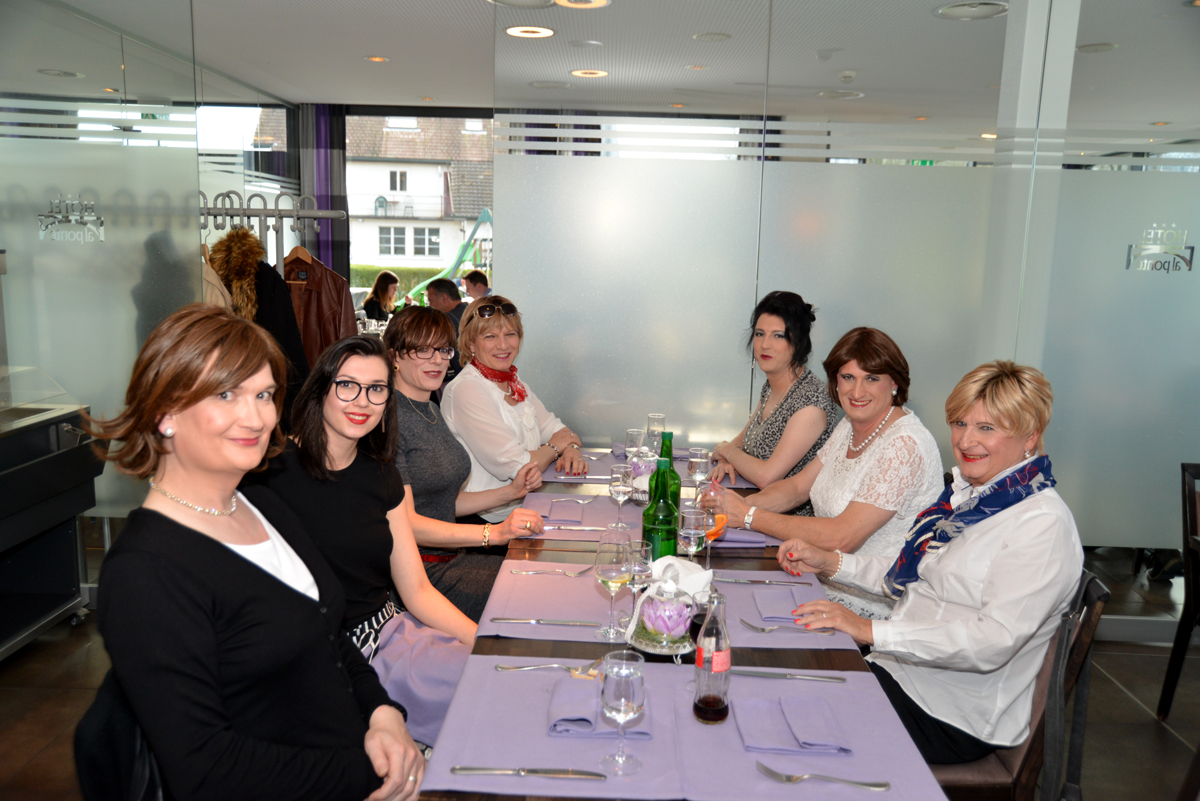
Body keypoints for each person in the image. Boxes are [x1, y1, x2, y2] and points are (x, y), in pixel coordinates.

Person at [87, 304, 423, 801]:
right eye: (226, 394)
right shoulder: (146, 570)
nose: (256, 416)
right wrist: (366, 773)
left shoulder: (261, 504)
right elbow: (205, 770)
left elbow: (327, 636)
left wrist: (383, 712)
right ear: (165, 412)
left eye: (264, 394)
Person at [780, 361, 1083, 765]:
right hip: (902, 673)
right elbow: (913, 571)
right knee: (781, 679)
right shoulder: (974, 497)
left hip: (950, 713)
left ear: (1030, 435)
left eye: (987, 428)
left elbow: (992, 642)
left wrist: (869, 629)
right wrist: (830, 563)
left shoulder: (1041, 523)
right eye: (960, 423)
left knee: (791, 716)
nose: (966, 440)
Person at [251, 335, 474, 748]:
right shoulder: (270, 472)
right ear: (320, 389)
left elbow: (417, 590)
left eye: (376, 389)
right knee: (482, 701)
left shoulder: (381, 473)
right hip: (328, 653)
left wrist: (483, 643)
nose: (362, 401)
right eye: (347, 385)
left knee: (492, 675)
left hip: (391, 632)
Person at [711, 327, 943, 618]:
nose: (857, 392)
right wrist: (735, 505)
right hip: (818, 579)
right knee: (723, 600)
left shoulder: (905, 445)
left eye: (871, 378)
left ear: (895, 382)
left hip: (874, 610)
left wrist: (748, 516)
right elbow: (798, 487)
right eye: (848, 377)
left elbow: (841, 538)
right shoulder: (851, 424)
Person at [382, 307, 545, 621]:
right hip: (418, 576)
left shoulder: (429, 408)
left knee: (544, 575)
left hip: (451, 560)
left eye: (443, 350)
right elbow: (407, 523)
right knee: (537, 591)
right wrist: (493, 533)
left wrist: (510, 492)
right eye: (422, 350)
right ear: (394, 357)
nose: (437, 360)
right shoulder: (390, 419)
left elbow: (442, 502)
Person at [442, 296, 587, 522]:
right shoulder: (467, 389)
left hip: (526, 506)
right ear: (471, 344)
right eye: (490, 336)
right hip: (485, 521)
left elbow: (559, 430)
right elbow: (517, 466)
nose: (503, 345)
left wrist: (570, 450)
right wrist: (555, 447)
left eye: (510, 334)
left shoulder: (514, 382)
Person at [709, 291, 839, 514]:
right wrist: (726, 460)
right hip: (755, 506)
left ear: (799, 342)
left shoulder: (811, 401)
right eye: (759, 334)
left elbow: (766, 476)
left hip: (789, 521)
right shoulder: (772, 385)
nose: (764, 344)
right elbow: (742, 441)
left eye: (778, 336)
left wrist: (726, 450)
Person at [424, 278, 468, 380]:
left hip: (462, 376)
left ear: (444, 298)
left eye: (431, 301)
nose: (430, 305)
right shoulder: (469, 310)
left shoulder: (448, 319)